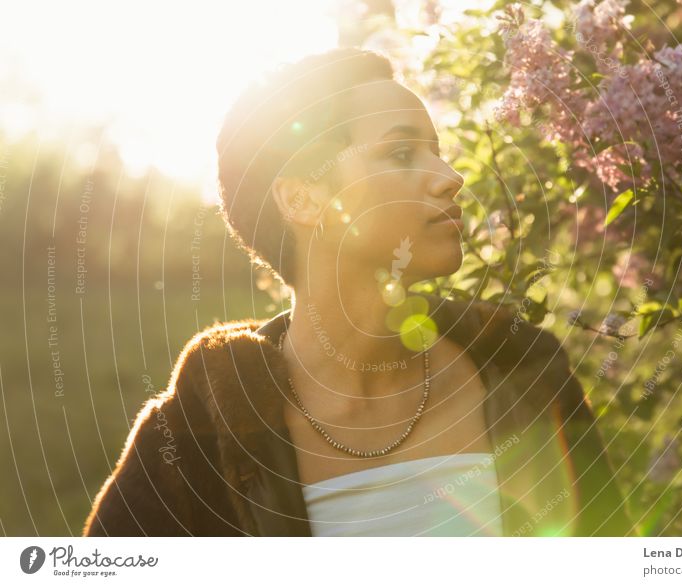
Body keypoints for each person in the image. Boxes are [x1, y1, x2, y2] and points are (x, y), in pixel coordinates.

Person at [82, 47, 635, 537]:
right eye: (400, 153)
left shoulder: (524, 373)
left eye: (436, 151)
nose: (450, 176)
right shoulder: (195, 437)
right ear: (302, 199)